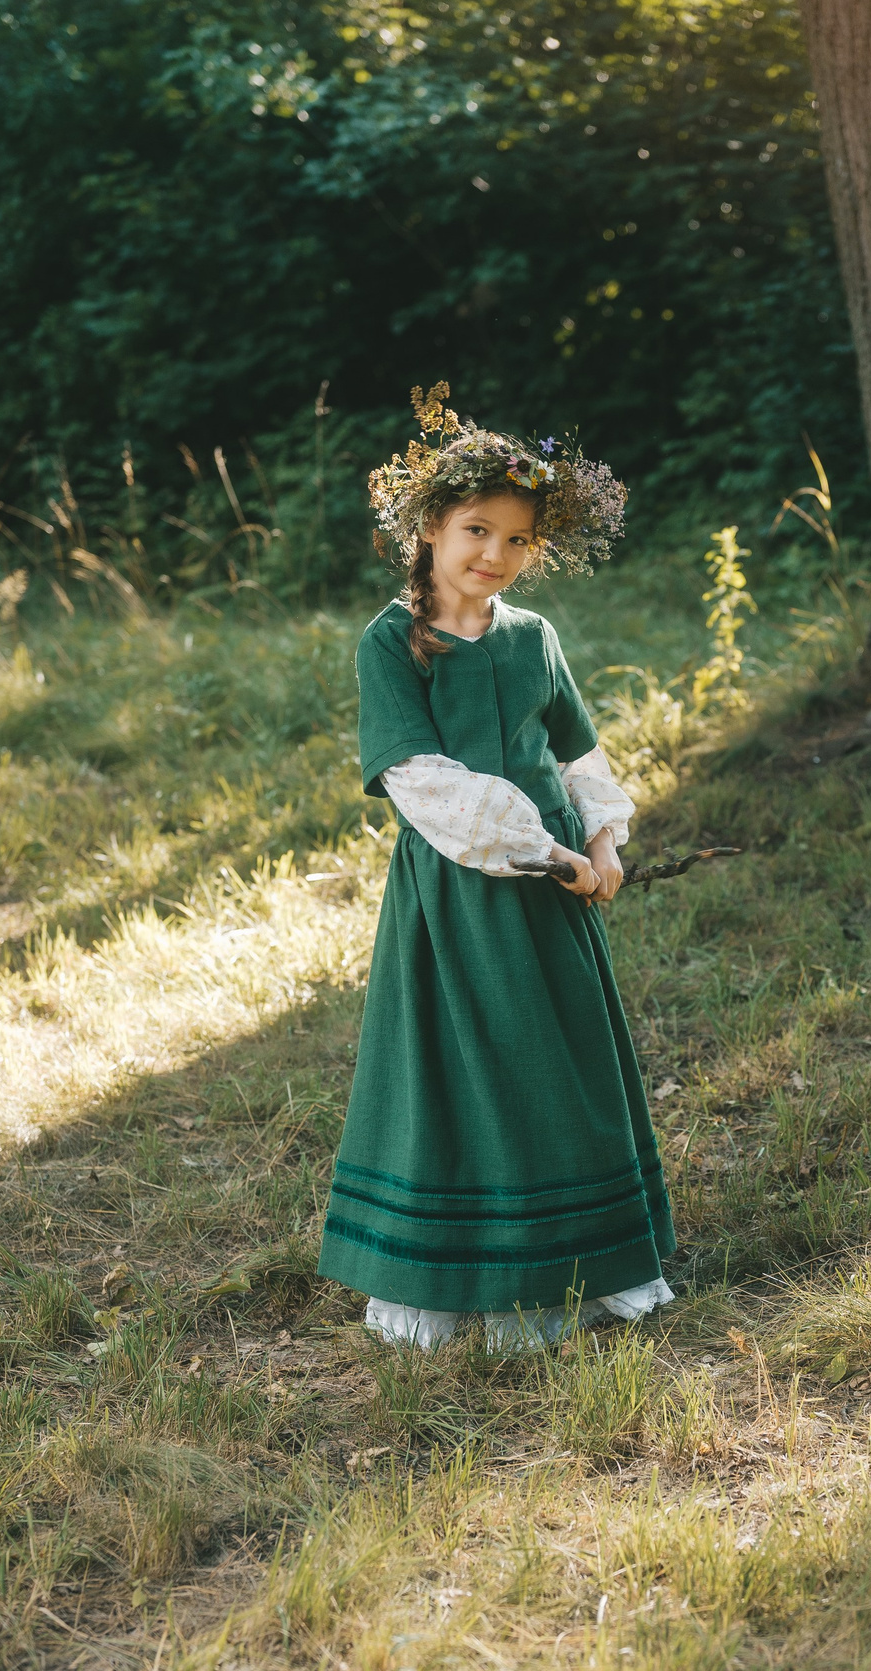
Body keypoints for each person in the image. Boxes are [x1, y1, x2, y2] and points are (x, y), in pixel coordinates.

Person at [316, 383, 674, 1352]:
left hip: (556, 896)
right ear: (430, 526)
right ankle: (468, 1261)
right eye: (477, 529)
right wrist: (549, 849)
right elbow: (423, 782)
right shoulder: (393, 643)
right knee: (467, 1067)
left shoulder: (533, 637)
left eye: (518, 539)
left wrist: (601, 844)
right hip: (461, 898)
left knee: (555, 1063)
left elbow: (576, 753)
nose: (495, 555)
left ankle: (581, 1256)